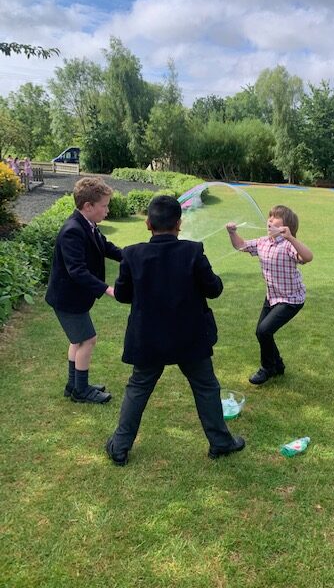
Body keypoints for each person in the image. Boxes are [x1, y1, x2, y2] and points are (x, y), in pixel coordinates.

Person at [106, 195, 245, 466]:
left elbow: (122, 295)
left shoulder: (132, 254)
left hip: (148, 339)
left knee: (138, 388)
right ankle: (220, 442)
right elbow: (214, 289)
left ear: (148, 224)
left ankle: (120, 446)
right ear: (178, 224)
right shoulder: (193, 251)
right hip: (189, 338)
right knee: (205, 386)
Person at [45, 177, 123, 403]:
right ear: (88, 206)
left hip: (72, 298)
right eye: (104, 206)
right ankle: (81, 391)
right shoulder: (73, 230)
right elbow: (76, 271)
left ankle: (74, 385)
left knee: (78, 341)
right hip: (67, 299)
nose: (107, 210)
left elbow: (105, 247)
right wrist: (108, 289)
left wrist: (133, 256)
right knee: (88, 340)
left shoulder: (87, 224)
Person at [226, 205, 313, 385]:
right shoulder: (263, 242)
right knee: (262, 333)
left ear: (286, 225)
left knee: (264, 330)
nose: (270, 220)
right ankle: (278, 365)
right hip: (272, 297)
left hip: (291, 299)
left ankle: (267, 368)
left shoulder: (289, 245)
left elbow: (307, 257)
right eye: (270, 217)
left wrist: (290, 237)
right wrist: (232, 233)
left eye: (275, 217)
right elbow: (241, 245)